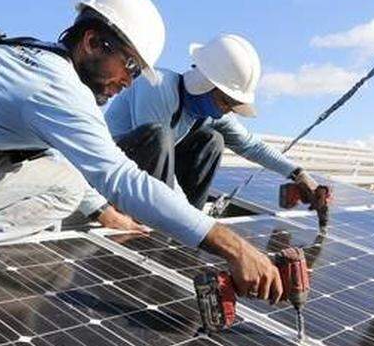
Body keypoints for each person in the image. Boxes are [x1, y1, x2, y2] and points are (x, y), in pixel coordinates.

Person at [0, 0, 285, 302]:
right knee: (68, 188)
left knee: (69, 181)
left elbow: (46, 154)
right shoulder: (57, 88)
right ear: (92, 42)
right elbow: (121, 177)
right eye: (128, 64)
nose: (128, 80)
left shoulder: (33, 58)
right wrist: (235, 247)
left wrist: (104, 212)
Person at [104, 34, 329, 214]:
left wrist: (300, 175)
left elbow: (253, 146)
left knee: (212, 140)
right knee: (158, 137)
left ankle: (183, 219)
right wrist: (194, 223)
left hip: (150, 175)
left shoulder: (212, 114)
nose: (226, 110)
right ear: (204, 84)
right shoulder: (157, 86)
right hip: (110, 168)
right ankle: (176, 218)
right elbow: (155, 157)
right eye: (225, 101)